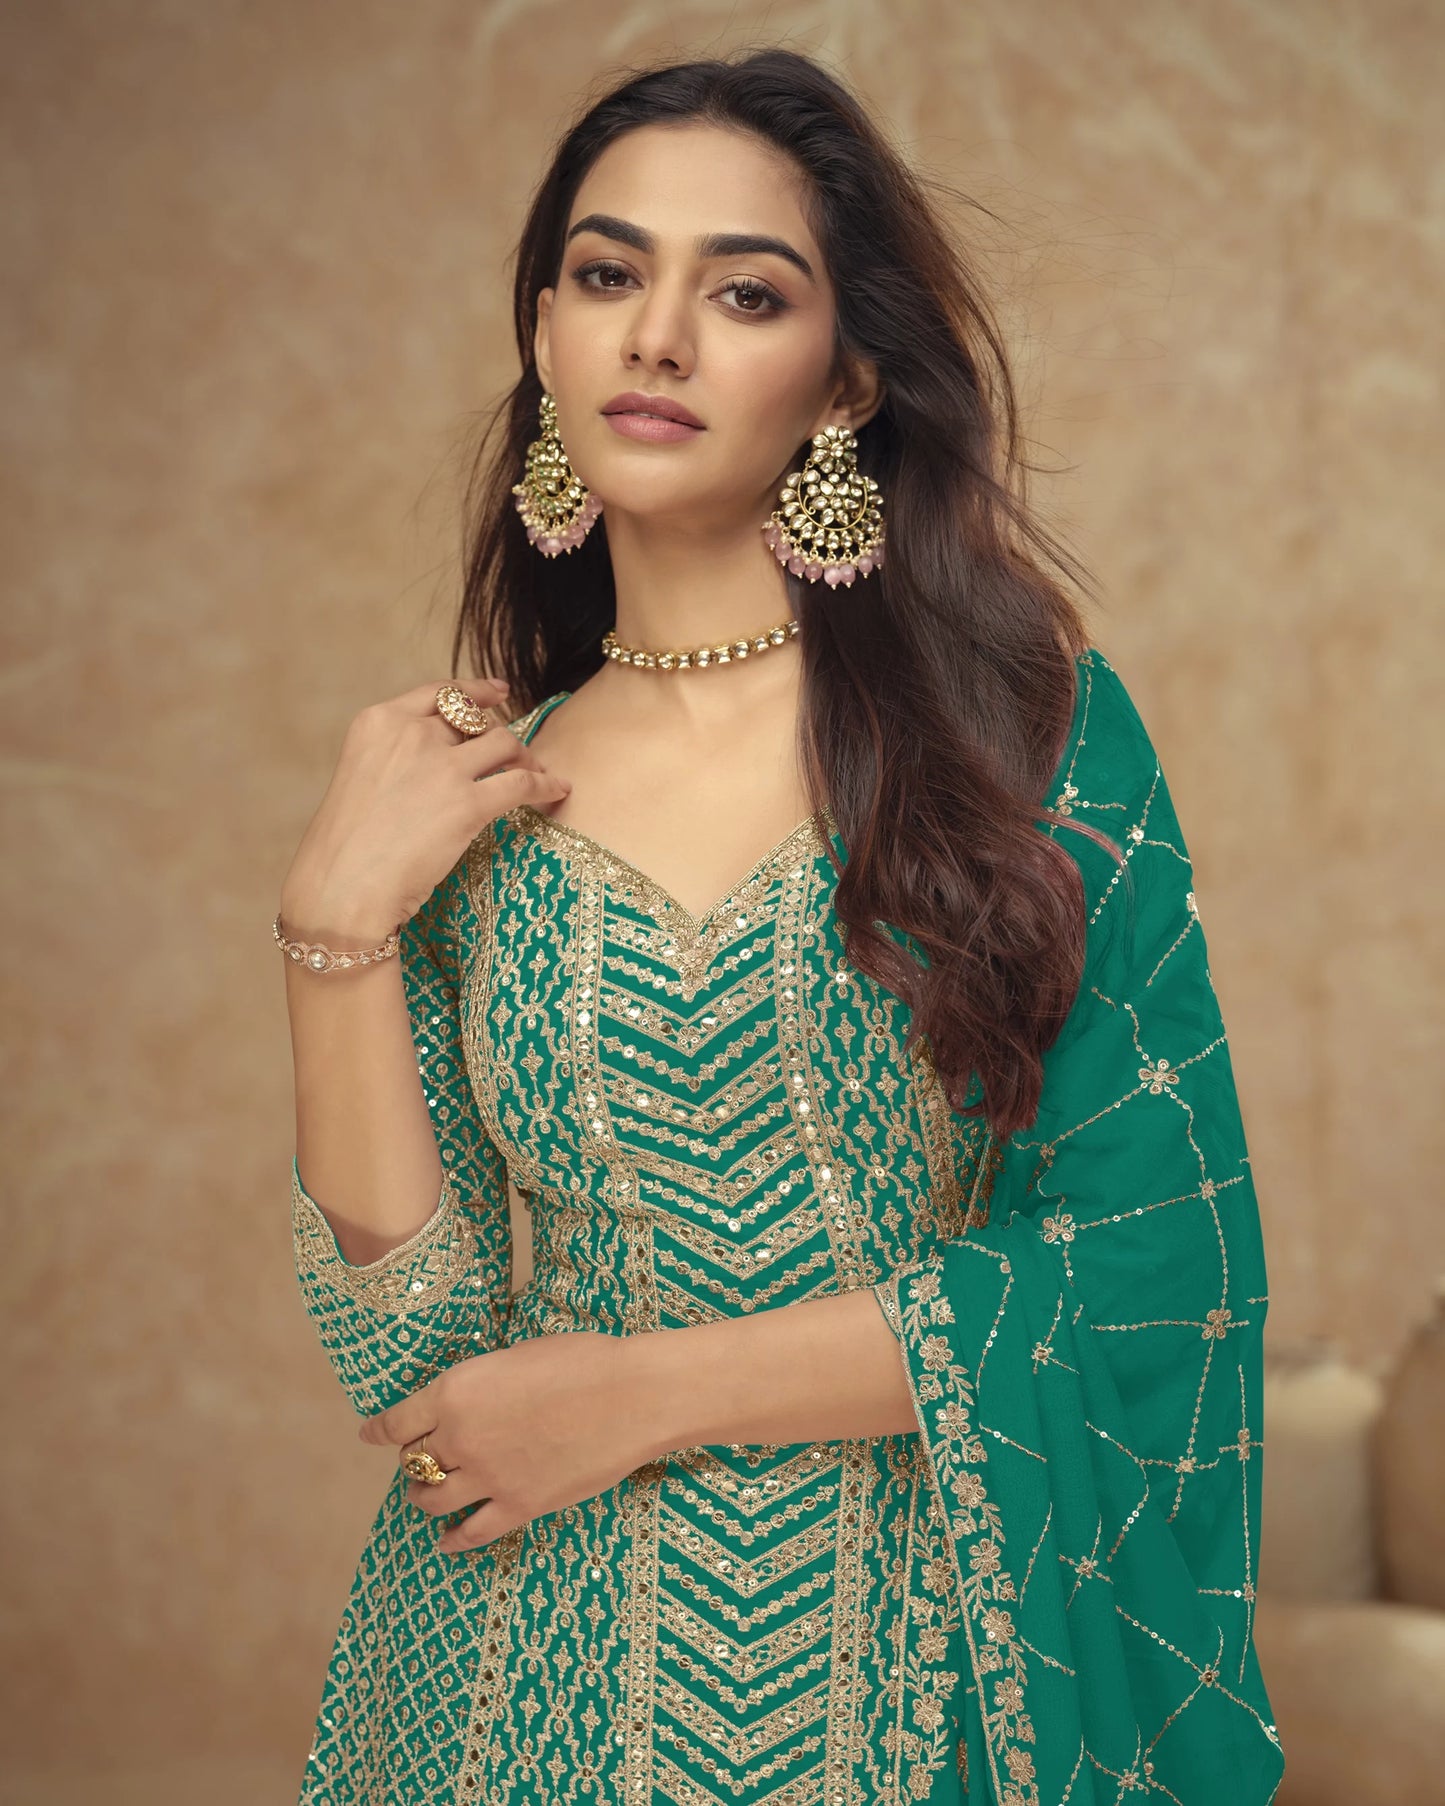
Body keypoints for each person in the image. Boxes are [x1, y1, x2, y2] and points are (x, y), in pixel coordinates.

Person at [276, 45, 1285, 1806]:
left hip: (938, 1675)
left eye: (742, 292)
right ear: (543, 334)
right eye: (608, 274)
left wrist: (650, 1392)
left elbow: (1154, 1268)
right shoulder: (471, 798)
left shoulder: (1018, 743)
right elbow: (411, 1365)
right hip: (513, 1702)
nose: (655, 335)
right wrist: (331, 927)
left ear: (844, 382)